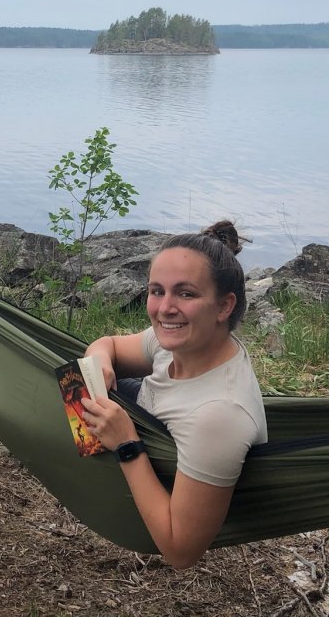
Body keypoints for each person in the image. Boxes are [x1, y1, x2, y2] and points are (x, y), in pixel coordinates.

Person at [80, 222, 268, 569]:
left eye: (186, 294)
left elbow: (181, 552)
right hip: (148, 415)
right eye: (157, 291)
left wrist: (126, 444)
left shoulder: (219, 416)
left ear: (224, 306)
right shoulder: (184, 341)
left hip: (149, 454)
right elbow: (108, 345)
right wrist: (99, 362)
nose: (164, 308)